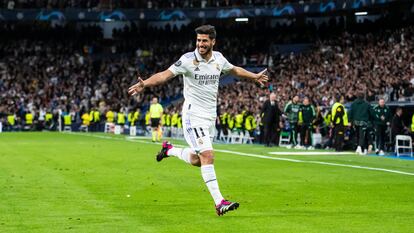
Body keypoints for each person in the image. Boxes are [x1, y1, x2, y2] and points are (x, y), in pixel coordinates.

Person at [128, 25, 268, 216]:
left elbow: (234, 70)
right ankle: (220, 202)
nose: (200, 44)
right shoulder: (187, 60)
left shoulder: (219, 58)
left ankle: (170, 150)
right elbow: (164, 75)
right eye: (198, 40)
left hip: (210, 117)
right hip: (193, 116)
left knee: (197, 160)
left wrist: (254, 77)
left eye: (204, 41)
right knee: (208, 156)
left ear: (213, 42)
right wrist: (146, 83)